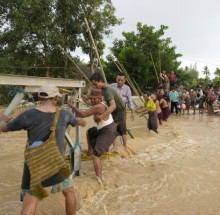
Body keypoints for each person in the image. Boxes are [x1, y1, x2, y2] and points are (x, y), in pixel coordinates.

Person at [0, 84, 86, 215]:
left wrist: (3, 120)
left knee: (31, 198)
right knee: (69, 191)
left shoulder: (27, 115)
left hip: (35, 163)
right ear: (55, 98)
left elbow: (4, 128)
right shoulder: (64, 114)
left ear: (39, 97)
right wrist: (81, 121)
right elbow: (79, 121)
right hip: (57, 162)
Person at [68, 89, 117, 181]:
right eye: (91, 99)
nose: (92, 101)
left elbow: (82, 114)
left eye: (94, 99)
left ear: (99, 98)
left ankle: (99, 179)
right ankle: (90, 151)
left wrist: (71, 106)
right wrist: (80, 94)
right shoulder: (98, 103)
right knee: (90, 132)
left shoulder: (99, 106)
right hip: (103, 129)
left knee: (95, 156)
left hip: (108, 131)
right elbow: (87, 102)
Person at [89, 73, 126, 147]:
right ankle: (117, 146)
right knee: (117, 129)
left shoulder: (108, 90)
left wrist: (101, 117)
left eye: (96, 84)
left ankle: (121, 147)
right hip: (115, 111)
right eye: (93, 85)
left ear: (100, 81)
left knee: (114, 129)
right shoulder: (103, 89)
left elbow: (113, 106)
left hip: (119, 112)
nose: (95, 86)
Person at [110, 73, 135, 148]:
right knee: (112, 128)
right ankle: (115, 147)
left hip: (122, 110)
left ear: (125, 80)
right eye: (118, 80)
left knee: (123, 129)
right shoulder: (112, 86)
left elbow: (130, 101)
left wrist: (132, 112)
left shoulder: (127, 88)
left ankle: (125, 146)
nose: (120, 82)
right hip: (113, 110)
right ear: (116, 79)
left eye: (121, 80)